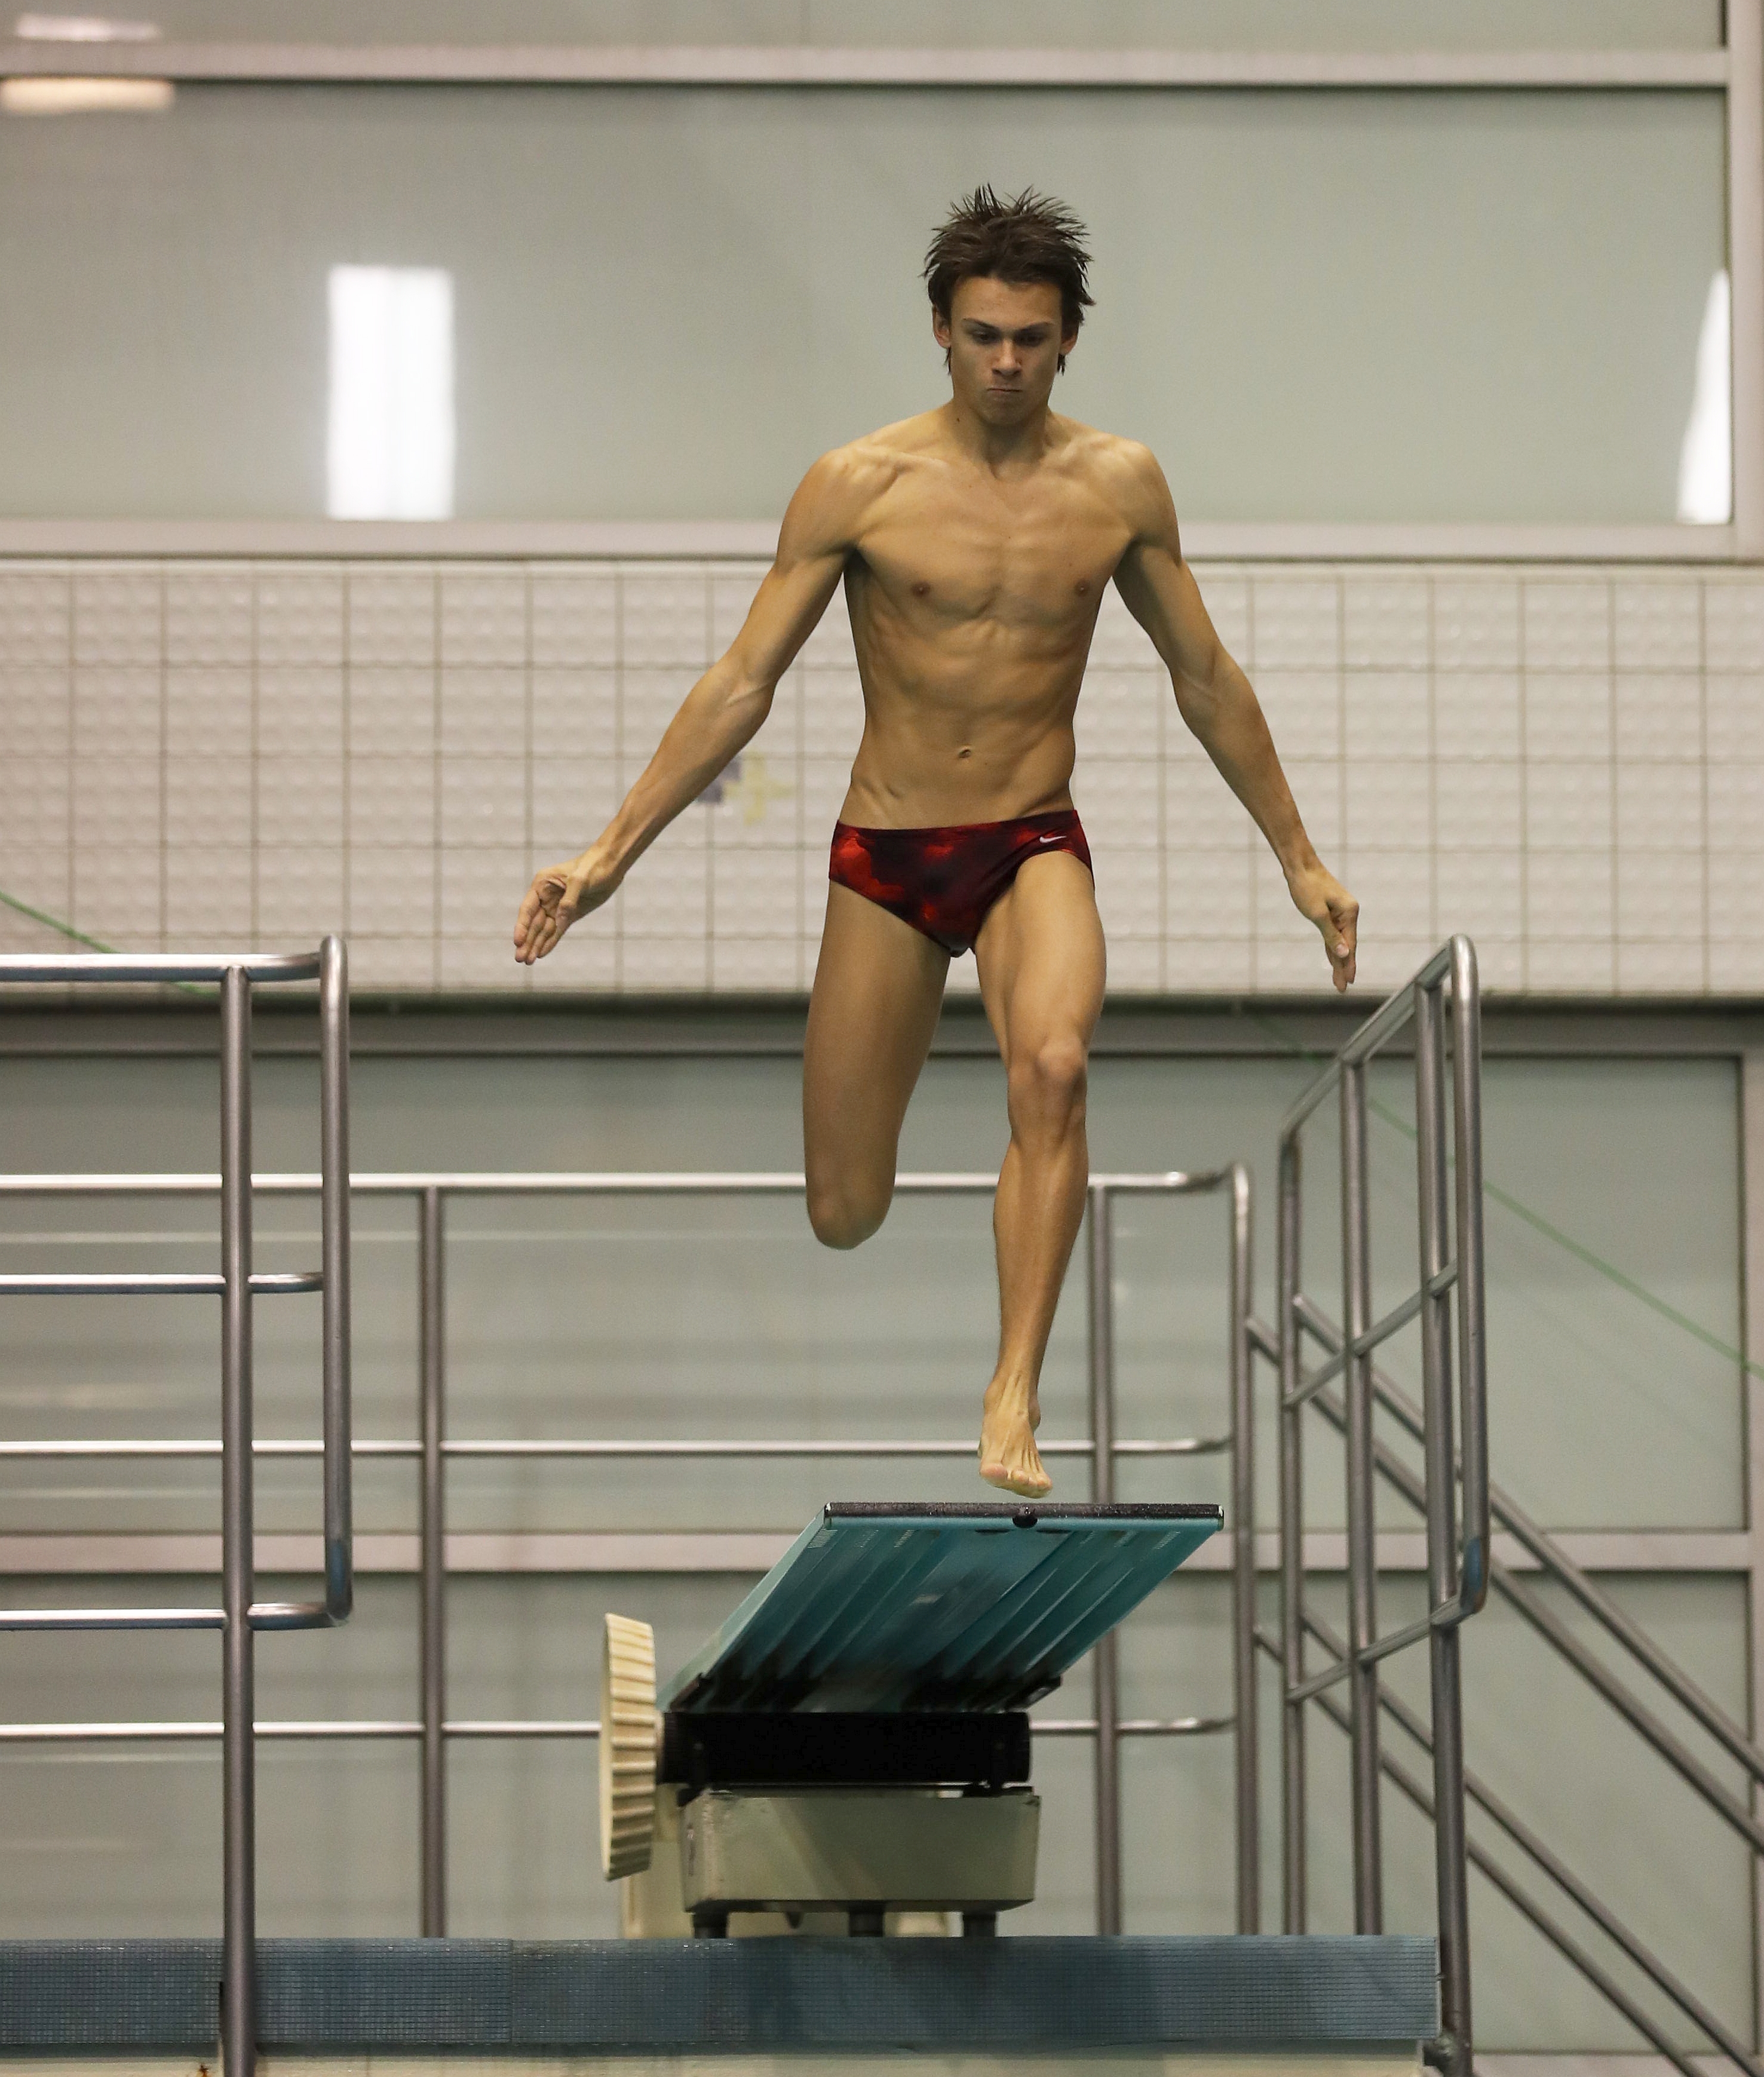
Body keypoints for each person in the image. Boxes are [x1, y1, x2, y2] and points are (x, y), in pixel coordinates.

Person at [514, 186, 1358, 1499]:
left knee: (1059, 1064)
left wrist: (1297, 857)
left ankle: (1013, 1391)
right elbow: (744, 680)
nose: (1006, 363)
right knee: (843, 1208)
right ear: (938, 332)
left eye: (1030, 337)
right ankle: (940, 1285)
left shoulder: (1118, 485)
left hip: (1031, 838)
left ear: (1070, 338)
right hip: (890, 852)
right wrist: (609, 852)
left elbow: (1205, 676)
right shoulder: (861, 484)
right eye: (982, 336)